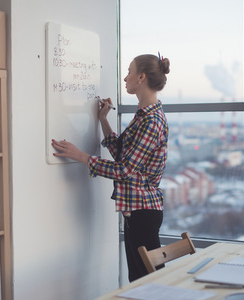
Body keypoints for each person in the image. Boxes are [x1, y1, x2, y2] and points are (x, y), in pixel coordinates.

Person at [51, 53, 170, 282]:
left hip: (143, 212)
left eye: (129, 72)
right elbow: (123, 156)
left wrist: (82, 156)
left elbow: (124, 170)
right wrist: (104, 120)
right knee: (139, 280)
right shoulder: (144, 116)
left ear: (141, 77)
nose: (125, 78)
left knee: (146, 283)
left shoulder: (151, 121)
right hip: (137, 210)